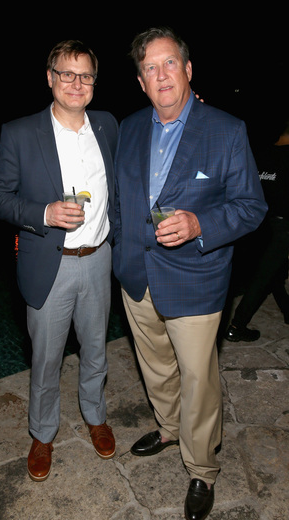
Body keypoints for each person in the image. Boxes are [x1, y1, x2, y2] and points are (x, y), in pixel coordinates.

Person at [113, 27, 267, 520]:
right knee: (156, 366)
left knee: (199, 379)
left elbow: (251, 207)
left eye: (169, 63)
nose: (161, 75)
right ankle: (169, 427)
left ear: (188, 69)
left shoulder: (226, 130)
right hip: (136, 275)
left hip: (196, 278)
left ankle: (202, 469)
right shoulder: (130, 127)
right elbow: (119, 200)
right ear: (140, 81)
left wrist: (201, 223)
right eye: (150, 68)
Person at [0, 40, 118, 482]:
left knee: (96, 350)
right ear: (49, 78)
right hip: (50, 263)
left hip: (99, 258)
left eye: (85, 75)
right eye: (67, 73)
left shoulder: (107, 126)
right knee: (46, 358)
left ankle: (95, 417)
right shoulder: (20, 132)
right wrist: (43, 213)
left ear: (94, 82)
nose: (76, 83)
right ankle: (42, 435)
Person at [225, 118, 289, 342]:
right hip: (282, 228)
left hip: (259, 225)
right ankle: (236, 325)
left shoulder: (261, 155)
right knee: (263, 277)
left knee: (272, 272)